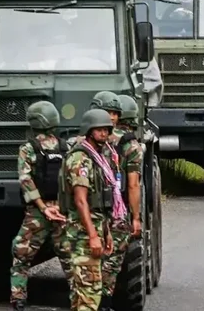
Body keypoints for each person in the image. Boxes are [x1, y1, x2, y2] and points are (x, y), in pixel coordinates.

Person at [10, 101, 71, 311]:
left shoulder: (28, 149)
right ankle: (80, 298)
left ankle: (18, 299)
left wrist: (43, 207)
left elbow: (26, 181)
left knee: (21, 255)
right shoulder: (66, 147)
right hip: (62, 211)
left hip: (38, 211)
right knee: (69, 256)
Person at [59, 109, 118, 311]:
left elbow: (100, 204)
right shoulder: (81, 159)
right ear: (89, 131)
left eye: (106, 130)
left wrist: (106, 233)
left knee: (82, 294)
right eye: (99, 129)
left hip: (94, 229)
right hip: (82, 234)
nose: (104, 133)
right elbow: (81, 200)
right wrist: (93, 235)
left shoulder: (97, 158)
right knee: (90, 292)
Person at [99, 94, 144, 308]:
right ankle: (106, 302)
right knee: (112, 258)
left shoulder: (82, 141)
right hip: (117, 208)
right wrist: (136, 217)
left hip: (88, 209)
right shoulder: (130, 144)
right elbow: (133, 185)